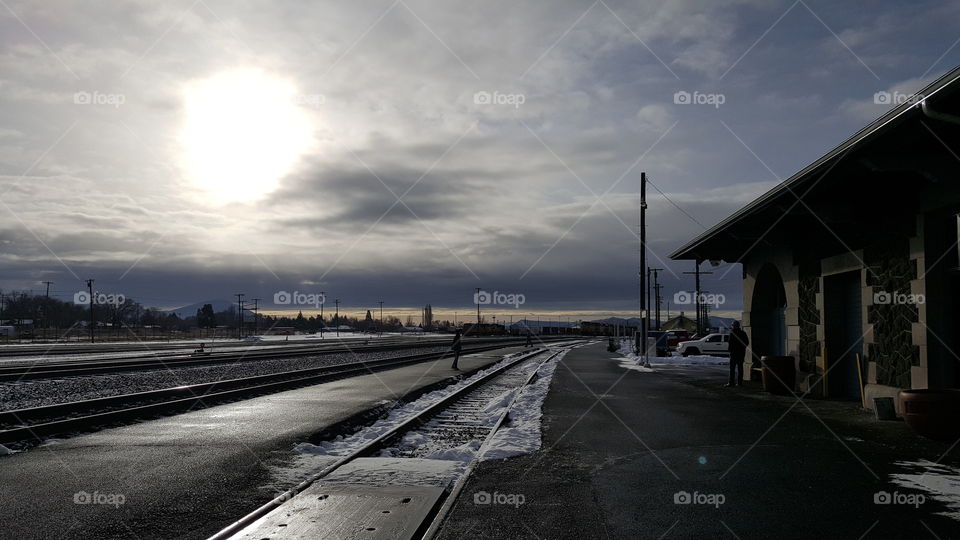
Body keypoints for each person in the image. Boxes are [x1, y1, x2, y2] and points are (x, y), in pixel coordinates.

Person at [726, 321, 749, 387]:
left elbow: (730, 344)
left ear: (734, 326)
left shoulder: (732, 333)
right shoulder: (743, 333)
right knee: (740, 368)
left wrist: (730, 351)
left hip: (733, 353)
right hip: (741, 353)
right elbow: (746, 342)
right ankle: (739, 383)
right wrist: (741, 348)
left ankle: (731, 382)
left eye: (732, 325)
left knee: (732, 368)